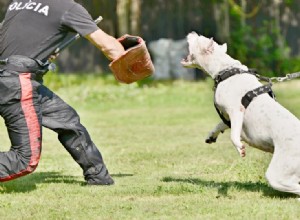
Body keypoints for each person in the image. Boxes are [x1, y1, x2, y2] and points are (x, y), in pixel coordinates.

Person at [0, 0, 125, 185]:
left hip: (13, 77)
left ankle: (99, 178)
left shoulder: (20, 3)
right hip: (18, 81)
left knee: (67, 121)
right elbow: (111, 48)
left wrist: (40, 55)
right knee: (24, 160)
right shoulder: (68, 8)